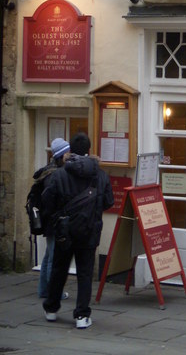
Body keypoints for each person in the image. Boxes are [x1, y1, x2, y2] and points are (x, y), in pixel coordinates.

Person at [42, 132, 114, 329]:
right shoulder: (100, 175)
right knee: (84, 274)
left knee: (59, 269)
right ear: (89, 151)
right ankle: (82, 316)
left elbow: (48, 202)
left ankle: (51, 309)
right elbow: (109, 202)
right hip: (89, 230)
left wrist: (58, 217)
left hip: (65, 229)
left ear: (70, 151)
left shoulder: (59, 174)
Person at [36, 138, 71, 300]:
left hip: (49, 219)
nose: (70, 155)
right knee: (53, 258)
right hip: (53, 220)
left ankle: (44, 290)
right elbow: (51, 198)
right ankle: (52, 292)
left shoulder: (49, 171)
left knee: (48, 255)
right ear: (61, 155)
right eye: (67, 152)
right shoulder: (54, 174)